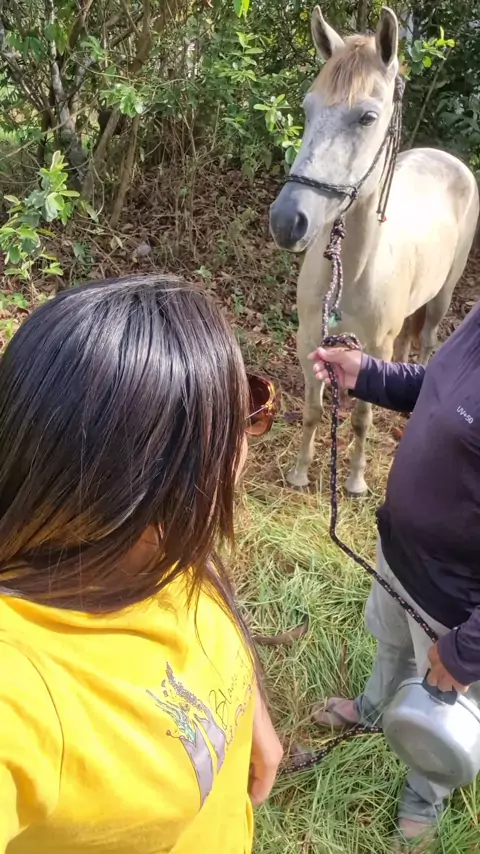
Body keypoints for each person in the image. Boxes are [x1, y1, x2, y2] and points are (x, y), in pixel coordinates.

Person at [0, 274, 283, 853]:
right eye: (243, 412)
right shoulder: (21, 687)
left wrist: (247, 708)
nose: (252, 432)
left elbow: (198, 582)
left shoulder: (156, 543)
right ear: (158, 480)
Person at [309, 302, 480, 853]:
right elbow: (441, 391)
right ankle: (373, 709)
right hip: (400, 552)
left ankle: (425, 796)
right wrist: (369, 375)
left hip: (454, 599)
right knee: (390, 646)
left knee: (439, 704)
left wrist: (469, 650)